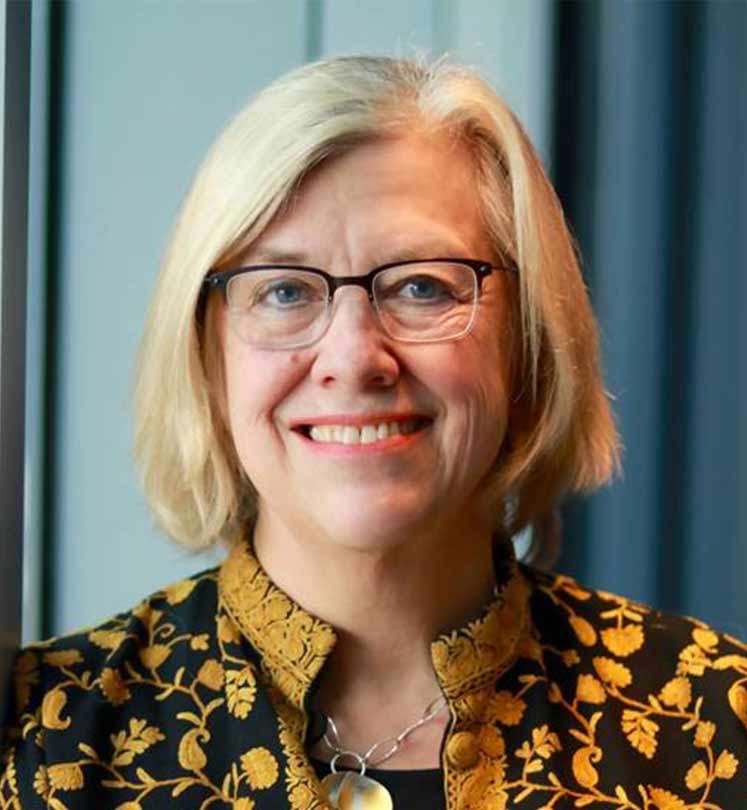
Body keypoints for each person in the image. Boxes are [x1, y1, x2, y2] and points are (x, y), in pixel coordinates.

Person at [1, 55, 746, 810]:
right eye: (283, 291)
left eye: (422, 286)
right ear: (206, 354)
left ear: (526, 338)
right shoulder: (42, 738)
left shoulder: (716, 722)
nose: (354, 358)